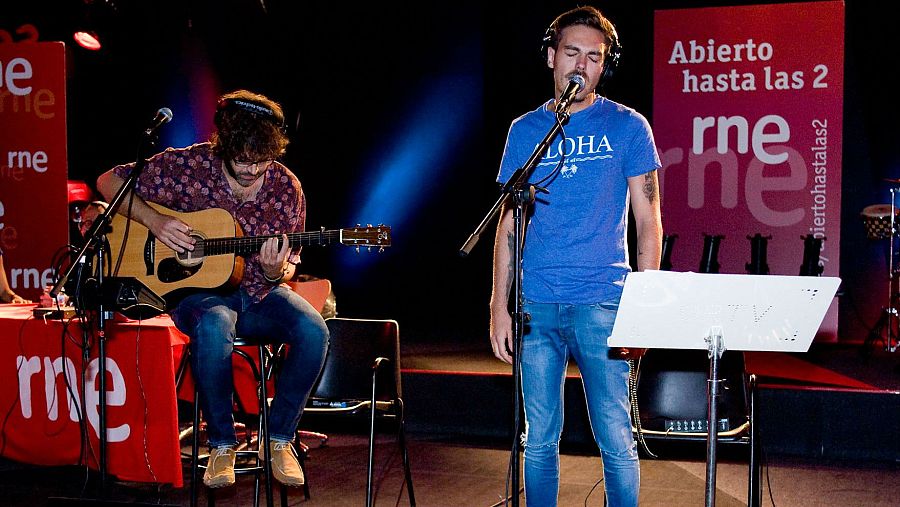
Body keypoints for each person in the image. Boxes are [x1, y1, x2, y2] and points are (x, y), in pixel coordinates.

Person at [97, 89, 329, 489]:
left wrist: (275, 271)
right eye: (242, 161)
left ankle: (279, 438)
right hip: (197, 296)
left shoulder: (286, 188)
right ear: (225, 145)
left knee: (314, 331)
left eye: (262, 162)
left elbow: (285, 268)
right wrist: (155, 222)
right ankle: (222, 443)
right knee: (215, 321)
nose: (252, 172)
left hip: (258, 292)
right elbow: (107, 181)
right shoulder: (188, 165)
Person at [488, 7, 662, 507]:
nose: (582, 65)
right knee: (538, 438)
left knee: (616, 437)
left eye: (594, 56)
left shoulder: (629, 126)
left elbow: (649, 220)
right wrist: (499, 305)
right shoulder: (525, 130)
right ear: (550, 57)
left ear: (605, 65)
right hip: (536, 304)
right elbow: (507, 224)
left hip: (603, 302)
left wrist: (646, 306)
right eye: (572, 53)